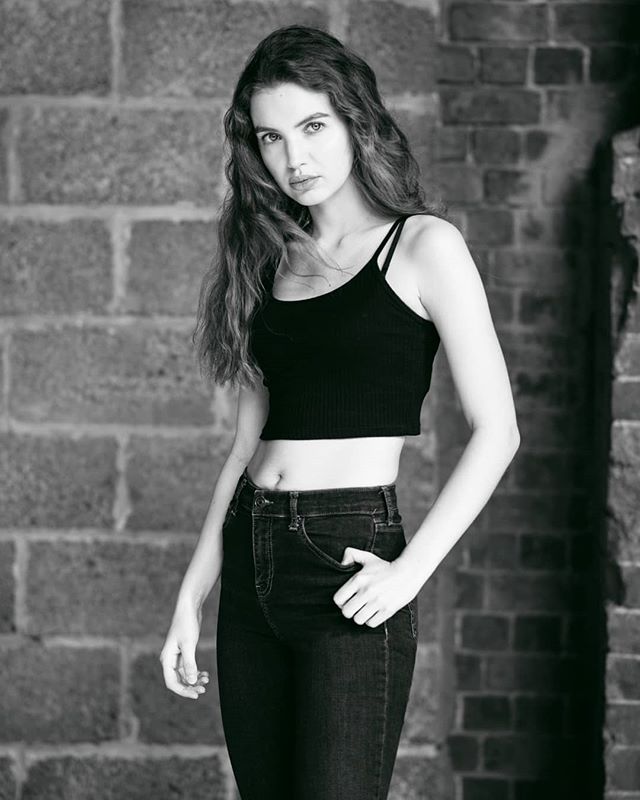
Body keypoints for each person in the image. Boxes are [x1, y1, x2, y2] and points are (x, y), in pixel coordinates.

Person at [159, 24, 520, 800]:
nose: (295, 158)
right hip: (251, 562)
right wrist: (191, 596)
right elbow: (246, 446)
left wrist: (409, 573)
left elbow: (498, 431)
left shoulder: (422, 247)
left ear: (356, 120)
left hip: (346, 557)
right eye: (272, 138)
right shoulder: (268, 261)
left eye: (313, 126)